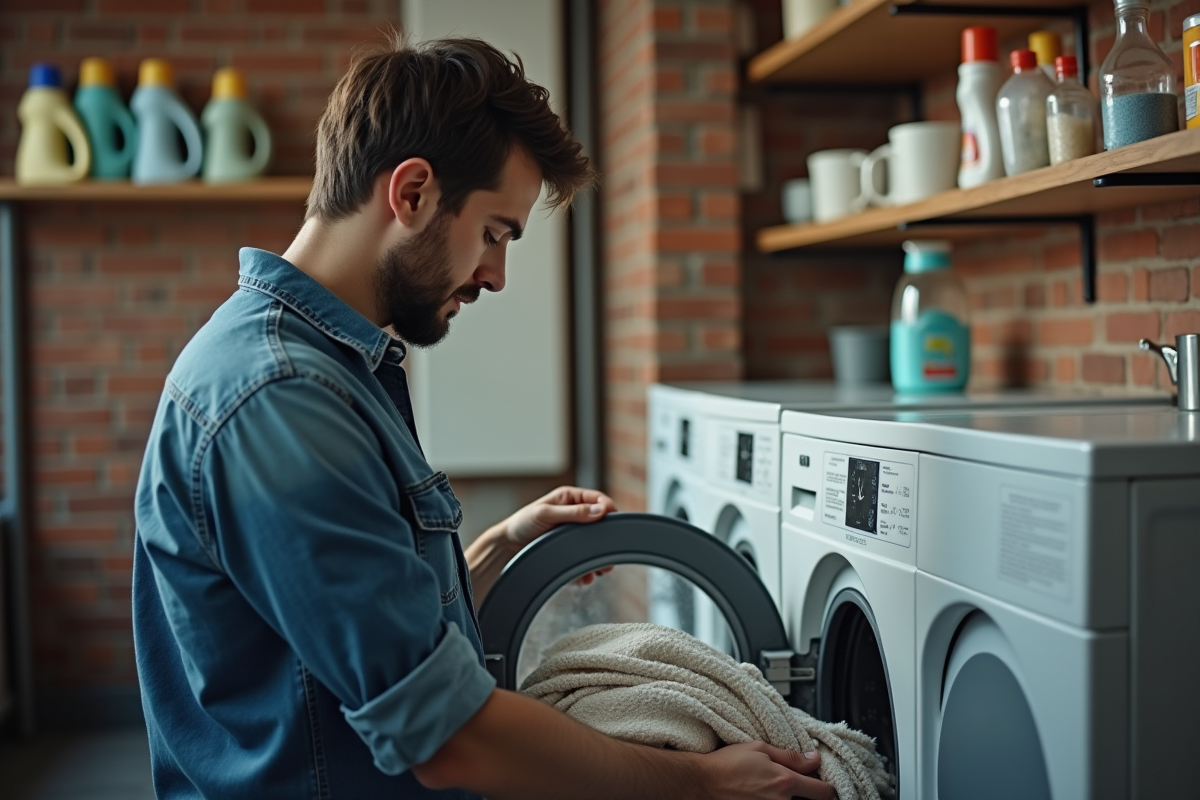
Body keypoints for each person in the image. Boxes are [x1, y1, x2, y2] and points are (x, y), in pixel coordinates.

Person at [132, 34, 834, 800]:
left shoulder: (325, 368)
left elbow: (348, 636)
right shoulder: (281, 398)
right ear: (412, 194)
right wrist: (698, 783)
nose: (495, 275)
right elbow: (447, 738)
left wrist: (502, 543)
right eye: (496, 232)